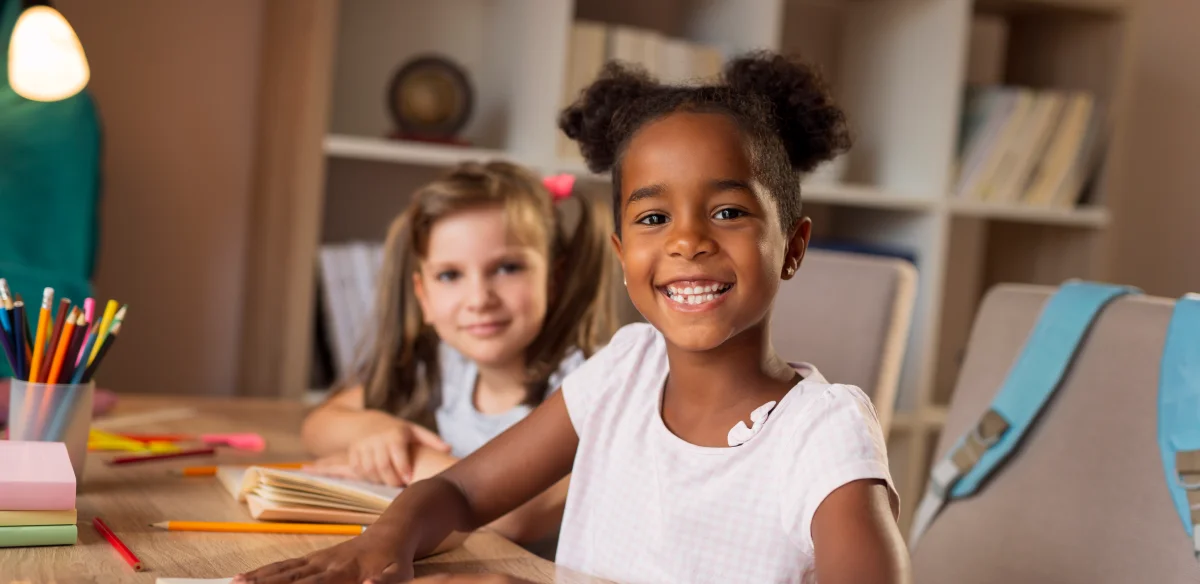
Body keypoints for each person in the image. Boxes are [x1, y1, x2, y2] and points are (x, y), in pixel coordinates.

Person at [237, 51, 909, 584]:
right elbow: (463, 493)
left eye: (728, 211)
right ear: (622, 254)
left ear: (792, 247)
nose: (686, 241)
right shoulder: (625, 369)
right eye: (653, 218)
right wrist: (383, 542)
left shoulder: (824, 435)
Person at [302, 161, 616, 546]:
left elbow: (517, 514)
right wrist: (376, 432)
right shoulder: (448, 367)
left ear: (553, 279)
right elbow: (318, 425)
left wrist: (403, 461)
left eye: (507, 267)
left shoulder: (593, 381)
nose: (479, 299)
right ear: (424, 298)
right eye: (450, 275)